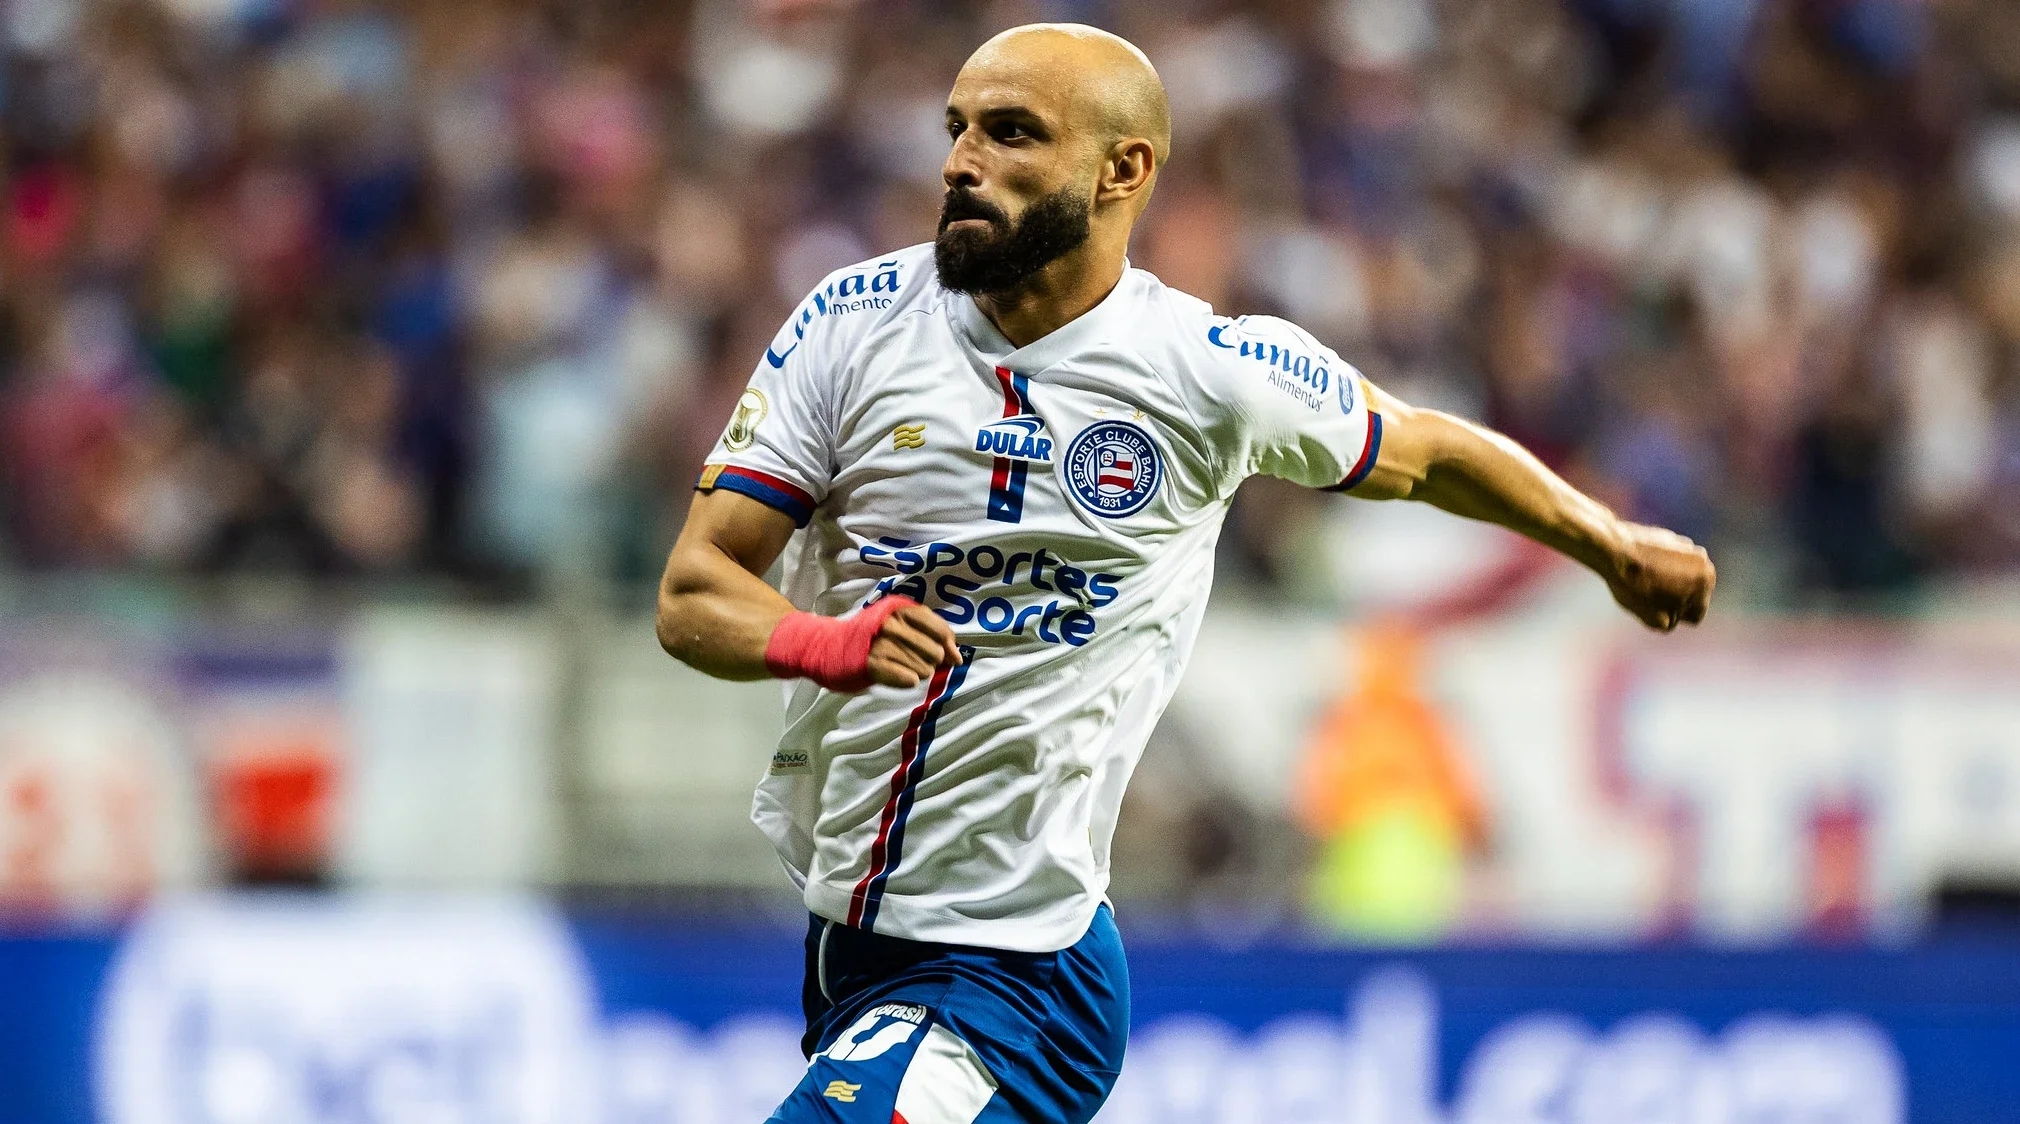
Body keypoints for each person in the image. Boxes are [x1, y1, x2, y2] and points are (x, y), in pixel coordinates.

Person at [657, 22, 1714, 1124]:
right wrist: (826, 640)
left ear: (1124, 170)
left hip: (1012, 969)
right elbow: (692, 592)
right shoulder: (850, 323)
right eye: (956, 129)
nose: (962, 162)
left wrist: (1605, 540)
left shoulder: (1207, 371)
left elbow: (1423, 449)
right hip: (852, 946)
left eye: (1012, 134)